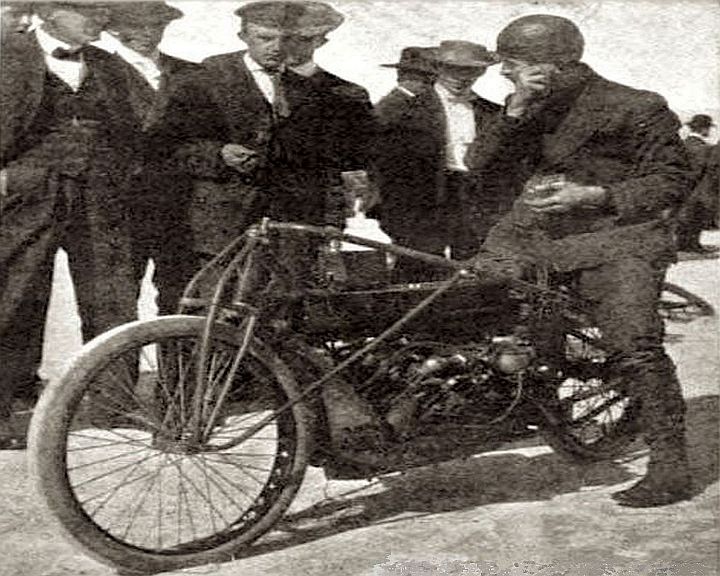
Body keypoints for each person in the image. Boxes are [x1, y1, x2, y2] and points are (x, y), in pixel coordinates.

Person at [466, 15, 693, 507]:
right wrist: (515, 110)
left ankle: (671, 464)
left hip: (619, 238)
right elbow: (479, 168)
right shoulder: (523, 107)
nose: (507, 76)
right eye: (507, 68)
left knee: (632, 344)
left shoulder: (635, 105)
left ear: (559, 64)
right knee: (461, 308)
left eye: (517, 66)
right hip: (533, 236)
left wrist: (594, 194)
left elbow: (670, 181)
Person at [0, 1, 153, 448]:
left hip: (100, 199)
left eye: (105, 9)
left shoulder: (111, 66)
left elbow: (145, 128)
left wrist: (121, 172)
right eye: (88, 8)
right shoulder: (6, 53)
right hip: (27, 198)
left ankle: (116, 407)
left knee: (113, 298)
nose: (101, 17)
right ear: (48, 11)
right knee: (14, 302)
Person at [373, 41, 500, 277]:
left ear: (482, 71)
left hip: (472, 193)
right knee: (420, 262)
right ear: (438, 68)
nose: (462, 77)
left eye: (471, 70)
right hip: (423, 195)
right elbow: (375, 141)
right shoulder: (406, 107)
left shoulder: (490, 111)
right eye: (453, 69)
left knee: (473, 262)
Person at [676, 114, 717, 253]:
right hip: (698, 188)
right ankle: (692, 245)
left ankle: (684, 244)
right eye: (708, 128)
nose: (709, 132)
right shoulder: (702, 148)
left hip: (684, 187)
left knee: (686, 217)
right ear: (703, 129)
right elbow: (698, 170)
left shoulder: (684, 144)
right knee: (696, 217)